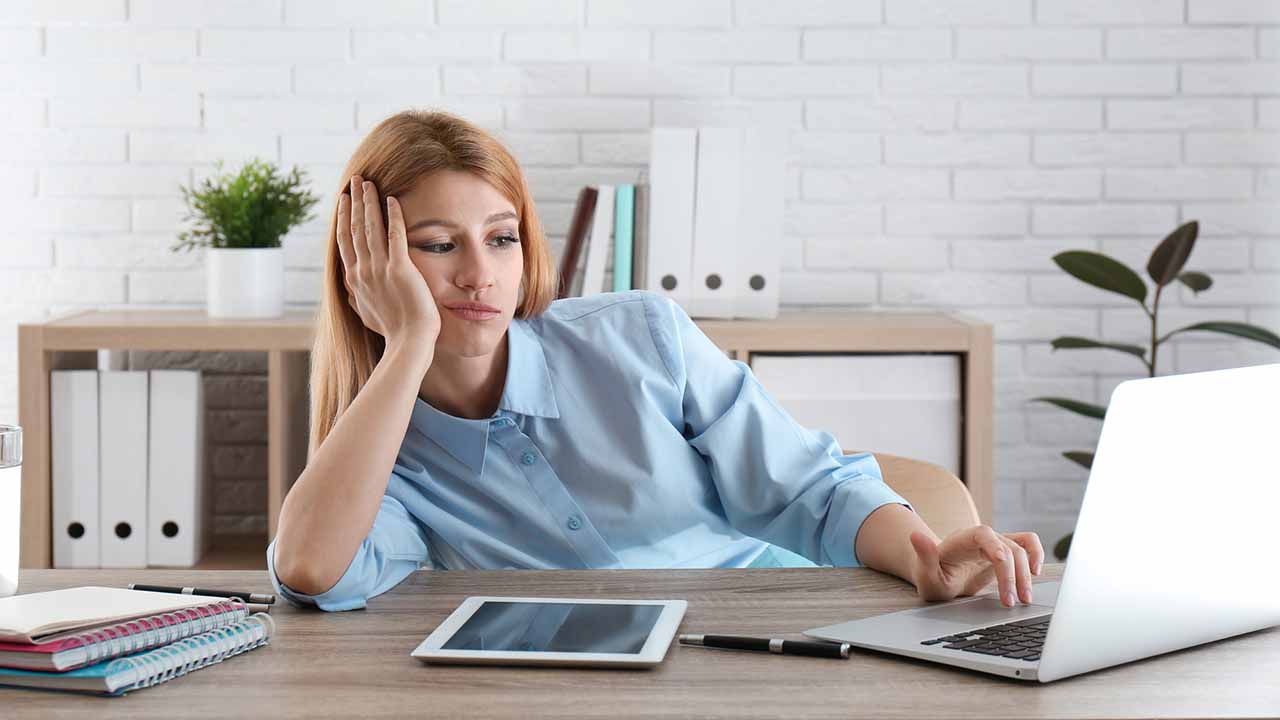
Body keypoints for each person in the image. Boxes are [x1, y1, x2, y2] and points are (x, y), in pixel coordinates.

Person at [267, 110, 1044, 612]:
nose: (480, 275)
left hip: (766, 639)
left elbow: (814, 488)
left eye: (501, 238)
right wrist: (408, 344)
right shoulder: (382, 457)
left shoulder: (640, 336)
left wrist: (925, 559)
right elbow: (310, 568)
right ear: (367, 266)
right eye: (438, 246)